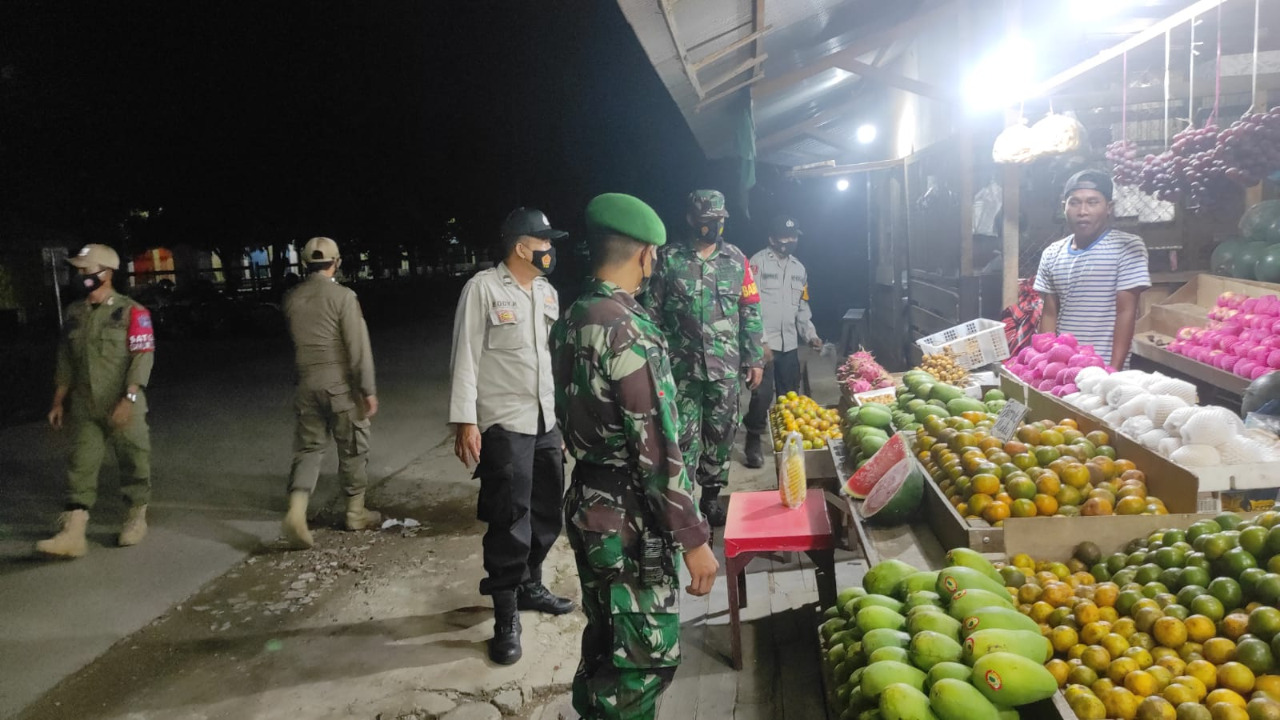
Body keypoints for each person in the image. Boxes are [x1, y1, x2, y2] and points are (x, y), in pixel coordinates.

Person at [551, 193, 718, 719]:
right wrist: (692, 537)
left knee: (607, 640)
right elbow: (655, 444)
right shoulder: (629, 330)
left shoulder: (575, 315)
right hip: (630, 516)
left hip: (590, 501)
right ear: (646, 255)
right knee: (643, 661)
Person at [448, 208, 573, 666]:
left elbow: (550, 363)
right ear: (521, 246)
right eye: (544, 242)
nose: (550, 250)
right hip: (503, 423)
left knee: (546, 509)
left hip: (543, 423)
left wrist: (558, 423)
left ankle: (530, 586)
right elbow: (465, 355)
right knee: (509, 518)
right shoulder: (482, 289)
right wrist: (464, 420)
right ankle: (505, 616)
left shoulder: (546, 292)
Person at [642, 189, 764, 526]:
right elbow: (650, 314)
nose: (713, 226)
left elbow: (750, 310)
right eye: (707, 221)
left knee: (722, 434)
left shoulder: (738, 260)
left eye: (719, 221)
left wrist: (755, 358)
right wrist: (652, 364)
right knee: (680, 437)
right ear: (691, 220)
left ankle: (711, 498)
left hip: (723, 369)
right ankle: (684, 501)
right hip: (679, 370)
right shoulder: (668, 260)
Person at [38, 244, 155, 558]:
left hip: (122, 403)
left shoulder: (134, 312)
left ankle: (135, 516)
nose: (80, 276)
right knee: (81, 464)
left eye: (86, 270)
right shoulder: (74, 313)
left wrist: (129, 398)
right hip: (85, 403)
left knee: (134, 460)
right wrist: (58, 400)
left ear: (107, 272)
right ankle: (73, 532)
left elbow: (142, 358)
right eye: (78, 270)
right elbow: (65, 359)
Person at [280, 237, 381, 549]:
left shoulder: (292, 298)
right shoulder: (344, 297)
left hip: (306, 385)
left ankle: (296, 511)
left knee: (309, 449)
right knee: (352, 447)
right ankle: (355, 512)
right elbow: (357, 347)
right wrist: (368, 389)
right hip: (340, 387)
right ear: (336, 262)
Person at [1035, 170, 1151, 369]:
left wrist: (1113, 369)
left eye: (1092, 202)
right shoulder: (1052, 253)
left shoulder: (1128, 246)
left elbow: (1126, 312)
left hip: (1103, 366)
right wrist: (1049, 365)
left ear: (1109, 207)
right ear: (1064, 207)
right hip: (1064, 368)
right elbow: (1049, 315)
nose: (1082, 211)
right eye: (1074, 202)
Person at [742, 215, 821, 468]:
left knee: (789, 397)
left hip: (789, 346)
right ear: (772, 239)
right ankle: (753, 440)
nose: (790, 241)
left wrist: (811, 334)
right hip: (764, 346)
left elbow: (802, 306)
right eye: (785, 237)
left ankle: (789, 444)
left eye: (794, 236)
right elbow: (749, 306)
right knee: (761, 397)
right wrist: (760, 341)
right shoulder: (757, 263)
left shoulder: (800, 268)